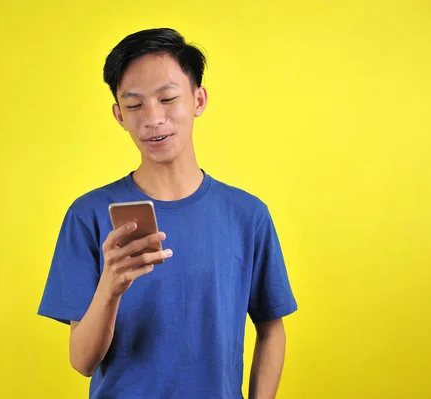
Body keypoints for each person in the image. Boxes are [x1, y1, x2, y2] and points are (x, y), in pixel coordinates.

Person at [38, 27, 298, 399]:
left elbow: (271, 329)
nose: (153, 118)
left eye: (167, 98)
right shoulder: (89, 215)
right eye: (134, 105)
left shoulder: (247, 215)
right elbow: (82, 362)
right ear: (119, 115)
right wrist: (111, 287)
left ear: (198, 99)